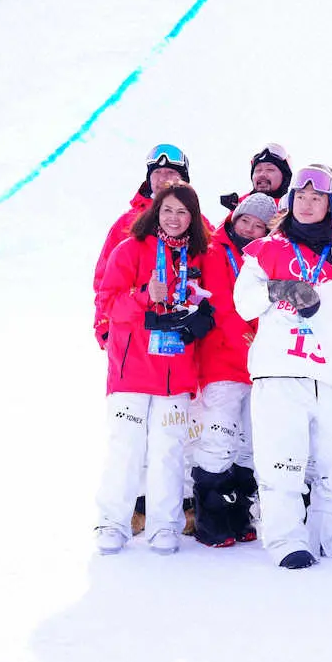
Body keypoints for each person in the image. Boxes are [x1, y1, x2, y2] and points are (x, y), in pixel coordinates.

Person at [233, 164, 332, 570]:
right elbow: (243, 303)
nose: (307, 205)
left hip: (331, 373)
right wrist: (277, 287)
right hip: (279, 370)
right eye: (301, 198)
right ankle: (286, 539)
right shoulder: (265, 249)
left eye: (317, 199)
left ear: (330, 205)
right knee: (283, 461)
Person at [94, 182, 216, 555]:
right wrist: (144, 296)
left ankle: (164, 525)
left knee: (169, 451)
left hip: (176, 370)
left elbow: (213, 302)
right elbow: (108, 303)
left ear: (193, 218)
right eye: (167, 210)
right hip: (132, 368)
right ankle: (112, 523)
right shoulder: (129, 249)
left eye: (183, 212)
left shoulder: (199, 257)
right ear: (155, 213)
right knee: (126, 449)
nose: (174, 219)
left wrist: (201, 317)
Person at [190, 193, 276, 548]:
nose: (250, 230)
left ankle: (239, 514)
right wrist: (252, 345)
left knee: (249, 444)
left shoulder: (266, 255)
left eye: (259, 226)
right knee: (219, 437)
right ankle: (210, 520)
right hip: (223, 360)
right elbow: (222, 306)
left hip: (256, 363)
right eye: (246, 221)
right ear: (234, 218)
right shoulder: (214, 251)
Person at [93, 144, 192, 350]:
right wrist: (103, 325)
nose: (163, 178)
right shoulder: (127, 223)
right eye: (157, 173)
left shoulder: (197, 223)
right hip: (133, 336)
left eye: (170, 172)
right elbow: (104, 279)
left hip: (181, 338)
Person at [219, 143, 292, 211]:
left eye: (270, 169)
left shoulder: (292, 209)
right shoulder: (241, 205)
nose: (262, 174)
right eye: (258, 170)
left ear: (285, 178)